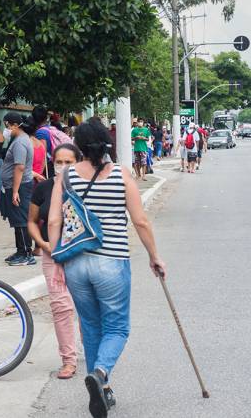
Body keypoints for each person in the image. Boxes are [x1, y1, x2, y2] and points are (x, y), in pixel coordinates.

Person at [47, 119, 166, 418]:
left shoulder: (66, 176)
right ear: (106, 143)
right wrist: (155, 257)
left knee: (90, 325)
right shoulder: (122, 176)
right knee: (117, 327)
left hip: (75, 263)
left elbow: (53, 221)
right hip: (111, 262)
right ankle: (99, 374)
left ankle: (104, 389)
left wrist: (57, 259)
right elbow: (140, 221)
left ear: (79, 147)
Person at [27, 143, 81, 380]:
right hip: (52, 256)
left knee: (87, 307)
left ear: (78, 163)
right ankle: (69, 360)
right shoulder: (43, 189)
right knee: (61, 307)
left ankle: (92, 348)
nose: (63, 166)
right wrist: (42, 243)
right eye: (59, 162)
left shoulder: (86, 188)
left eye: (69, 162)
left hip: (81, 255)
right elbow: (31, 221)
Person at [1, 112, 35, 266]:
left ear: (14, 125)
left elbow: (20, 167)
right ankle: (20, 250)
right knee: (16, 219)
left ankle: (27, 253)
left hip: (19, 187)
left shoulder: (20, 142)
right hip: (16, 186)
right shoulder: (19, 140)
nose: (5, 129)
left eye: (6, 125)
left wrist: (15, 191)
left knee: (20, 219)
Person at [25, 117, 47, 183]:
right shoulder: (41, 144)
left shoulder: (25, 143)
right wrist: (39, 174)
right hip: (39, 178)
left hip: (27, 179)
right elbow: (44, 163)